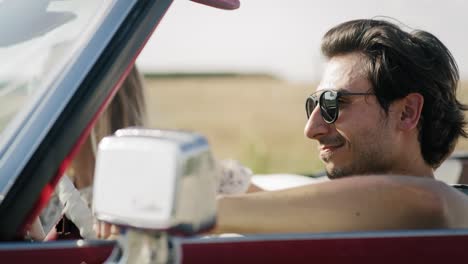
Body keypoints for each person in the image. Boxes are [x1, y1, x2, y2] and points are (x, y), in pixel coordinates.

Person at [212, 19, 468, 234]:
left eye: (333, 102)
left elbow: (425, 205)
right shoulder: (346, 210)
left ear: (406, 113)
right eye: (314, 104)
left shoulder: (453, 207)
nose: (311, 129)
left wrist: (204, 212)